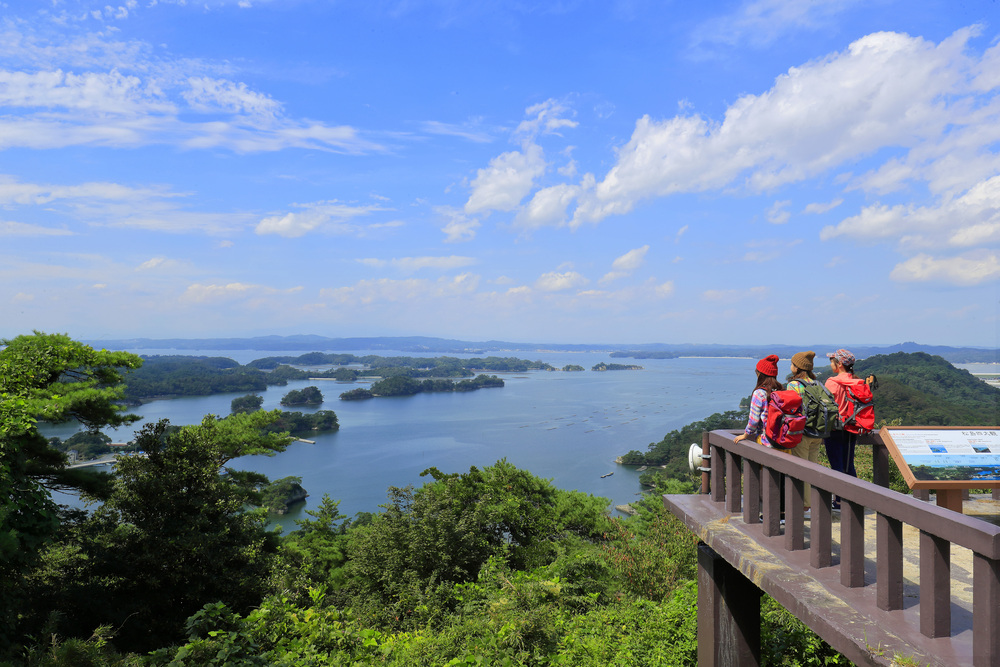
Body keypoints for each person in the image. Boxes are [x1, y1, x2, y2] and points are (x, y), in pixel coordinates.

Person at [823, 348, 873, 509]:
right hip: (853, 427)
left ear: (839, 364)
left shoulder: (832, 382)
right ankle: (853, 499)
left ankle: (839, 500)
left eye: (832, 361)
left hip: (834, 428)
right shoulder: (858, 381)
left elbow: (825, 405)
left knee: (836, 465)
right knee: (848, 463)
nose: (831, 363)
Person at [785, 351, 823, 515]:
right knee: (813, 468)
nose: (791, 366)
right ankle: (812, 502)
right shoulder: (817, 383)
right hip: (818, 432)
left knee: (801, 469)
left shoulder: (794, 385)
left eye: (792, 364)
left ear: (797, 367)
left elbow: (789, 410)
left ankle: (805, 506)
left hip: (802, 433)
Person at [733, 355, 783, 447]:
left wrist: (745, 435)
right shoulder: (781, 391)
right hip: (783, 442)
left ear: (760, 374)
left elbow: (754, 421)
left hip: (767, 442)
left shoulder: (759, 393)